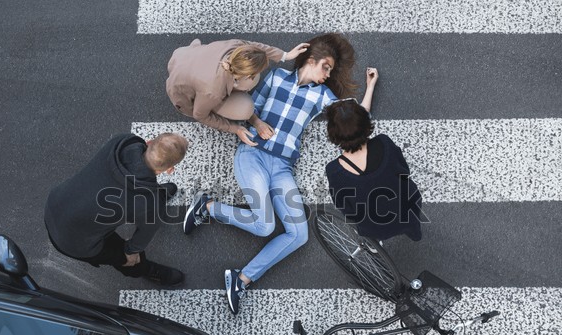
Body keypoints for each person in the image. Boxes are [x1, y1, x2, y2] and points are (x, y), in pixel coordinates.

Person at [183, 33, 357, 314]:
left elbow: (356, 116)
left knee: (298, 234)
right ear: (311, 59)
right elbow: (247, 108)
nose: (328, 74)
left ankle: (240, 279)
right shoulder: (276, 77)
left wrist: (370, 86)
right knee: (264, 225)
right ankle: (208, 207)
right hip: (253, 153)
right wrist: (258, 122)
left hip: (283, 167)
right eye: (325, 66)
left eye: (331, 71)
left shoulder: (322, 95)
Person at [44, 132, 189, 286]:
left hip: (57, 202)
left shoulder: (123, 143)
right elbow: (140, 240)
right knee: (128, 259)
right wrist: (130, 252)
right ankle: (143, 269)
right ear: (169, 169)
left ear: (149, 142)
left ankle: (155, 191)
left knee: (147, 203)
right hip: (74, 241)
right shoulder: (150, 205)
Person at [324, 68, 425, 242]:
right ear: (366, 124)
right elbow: (404, 171)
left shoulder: (334, 170)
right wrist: (370, 86)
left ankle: (373, 246)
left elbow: (346, 208)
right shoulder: (383, 143)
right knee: (409, 216)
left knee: (367, 228)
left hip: (374, 227)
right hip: (407, 211)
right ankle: (415, 233)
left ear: (334, 135)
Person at [166, 38, 309, 144]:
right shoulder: (212, 91)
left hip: (186, 58)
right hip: (183, 92)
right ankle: (227, 101)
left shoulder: (237, 47)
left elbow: (256, 48)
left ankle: (236, 87)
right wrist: (235, 129)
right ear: (245, 74)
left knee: (253, 80)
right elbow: (200, 114)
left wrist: (285, 55)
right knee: (245, 108)